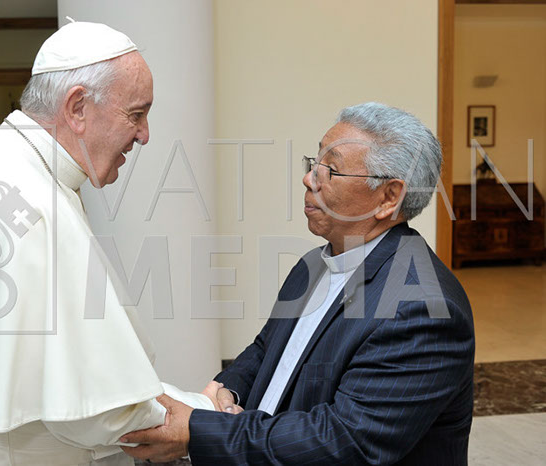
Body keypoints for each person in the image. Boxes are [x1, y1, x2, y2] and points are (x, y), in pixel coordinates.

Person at [0, 21, 219, 465]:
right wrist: (203, 413)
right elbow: (97, 414)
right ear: (77, 107)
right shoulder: (30, 198)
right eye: (136, 114)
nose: (144, 134)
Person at [122, 103, 475, 465]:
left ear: (388, 197)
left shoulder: (422, 309)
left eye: (330, 169)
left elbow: (344, 442)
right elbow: (267, 350)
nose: (309, 179)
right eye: (314, 163)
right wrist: (229, 389)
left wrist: (198, 432)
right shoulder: (314, 265)